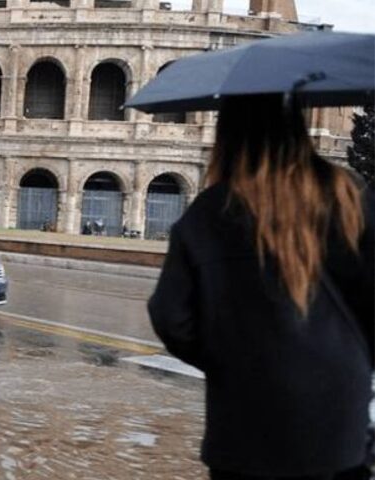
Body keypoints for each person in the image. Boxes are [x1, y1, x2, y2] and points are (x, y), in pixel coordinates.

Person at [148, 95, 374, 479]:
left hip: (244, 423)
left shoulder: (209, 211)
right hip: (338, 415)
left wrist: (231, 360)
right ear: (296, 129)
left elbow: (171, 318)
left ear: (228, 136)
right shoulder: (348, 194)